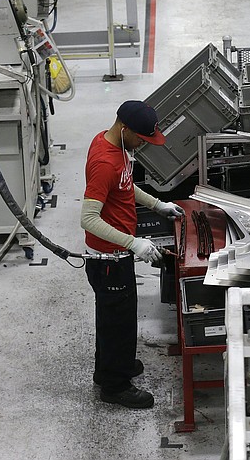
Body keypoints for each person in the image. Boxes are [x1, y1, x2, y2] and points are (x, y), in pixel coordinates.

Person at [81, 100, 185, 409]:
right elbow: (88, 219)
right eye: (141, 139)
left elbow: (124, 186)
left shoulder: (114, 144)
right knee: (119, 322)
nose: (143, 144)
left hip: (118, 255)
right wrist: (132, 244)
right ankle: (115, 386)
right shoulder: (104, 162)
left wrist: (157, 204)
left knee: (116, 318)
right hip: (109, 260)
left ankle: (112, 367)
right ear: (125, 130)